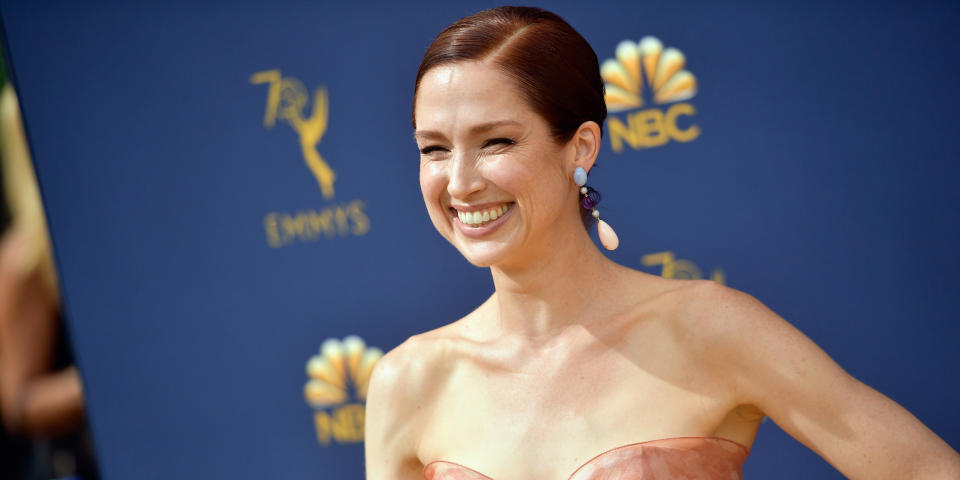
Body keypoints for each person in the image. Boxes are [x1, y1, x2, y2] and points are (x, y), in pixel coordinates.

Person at [364, 6, 960, 480]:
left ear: (581, 147)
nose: (461, 181)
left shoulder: (708, 327)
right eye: (434, 148)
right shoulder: (409, 381)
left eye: (496, 142)